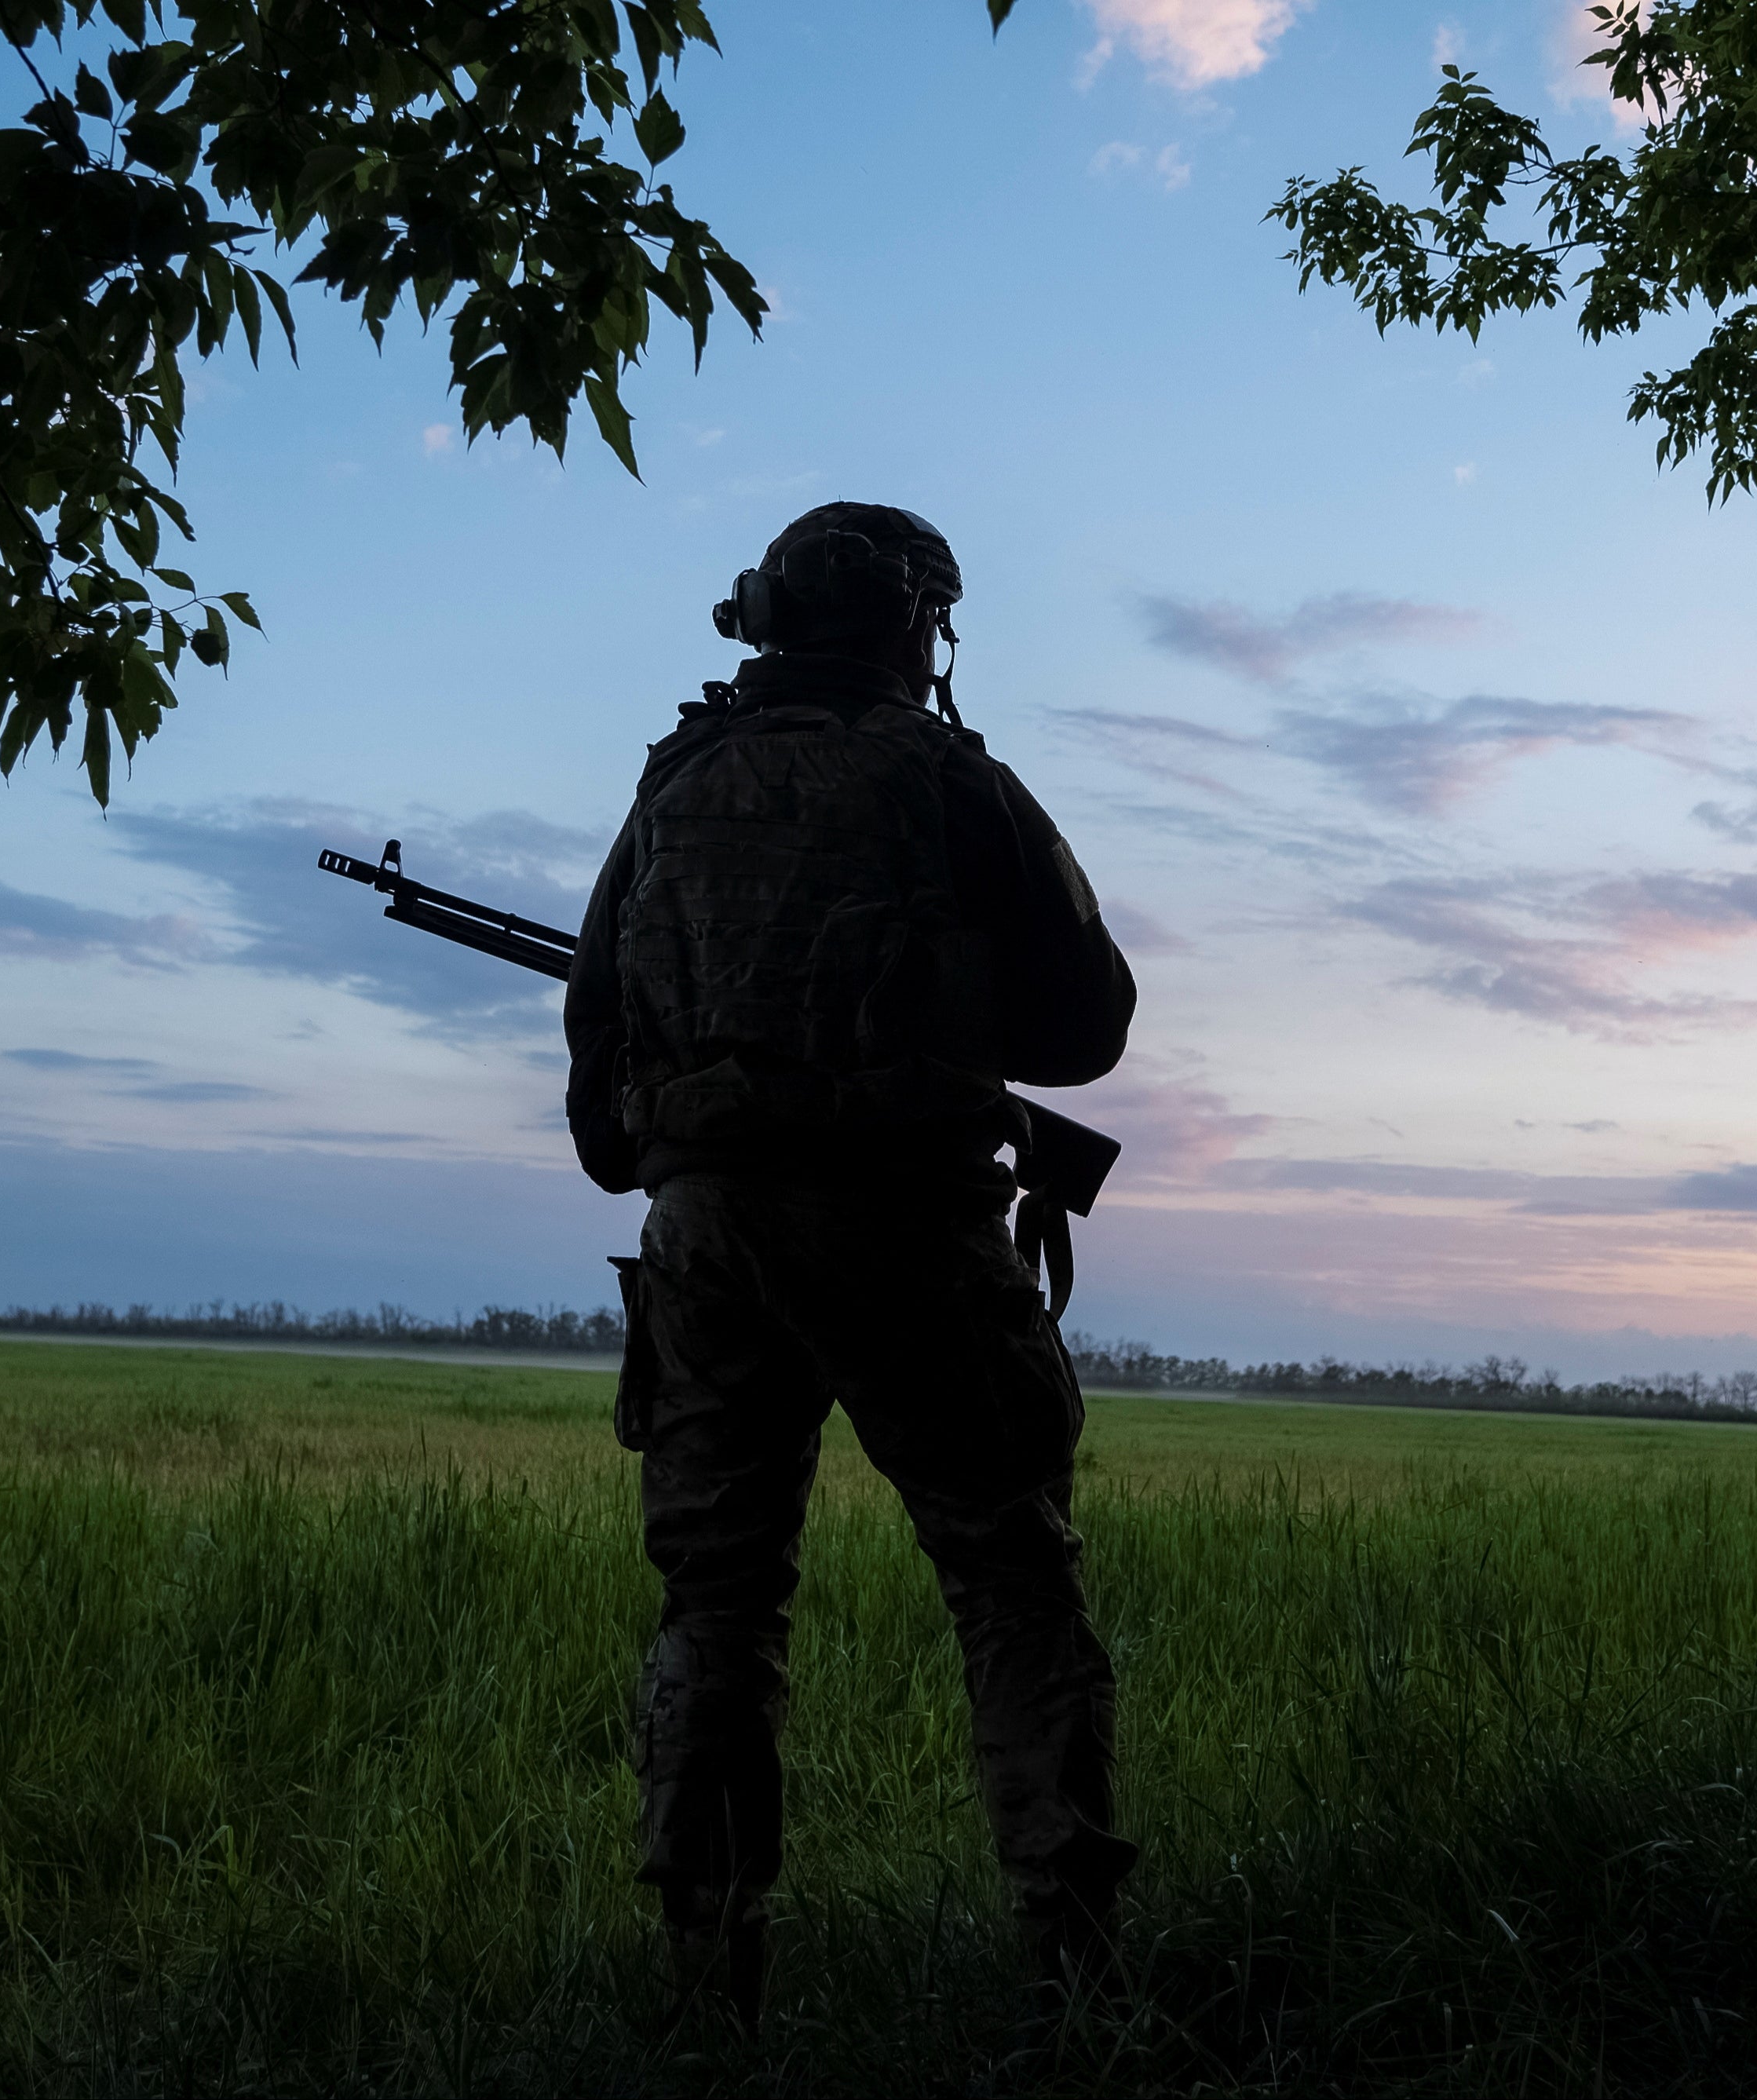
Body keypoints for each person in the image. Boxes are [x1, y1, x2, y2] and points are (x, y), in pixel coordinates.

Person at [561, 502, 1141, 2031]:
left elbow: (596, 1099)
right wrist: (922, 1030)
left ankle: (703, 1990)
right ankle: (1077, 1976)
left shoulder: (672, 787)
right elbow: (1086, 1026)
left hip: (704, 1244)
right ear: (910, 626)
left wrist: (717, 1129)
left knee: (718, 1605)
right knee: (1012, 1574)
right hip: (905, 1226)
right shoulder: (948, 779)